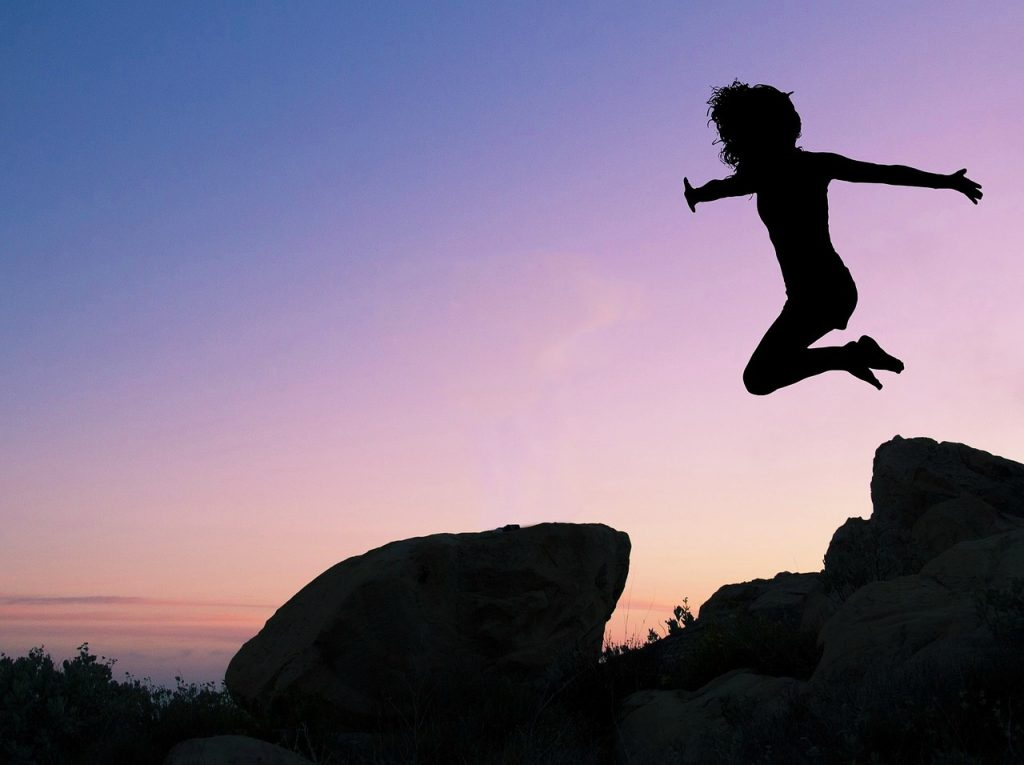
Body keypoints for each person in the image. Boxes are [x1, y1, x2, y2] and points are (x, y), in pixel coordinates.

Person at [683, 81, 982, 394]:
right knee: (760, 376)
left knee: (759, 378)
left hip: (824, 292)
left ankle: (851, 356)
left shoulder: (802, 168)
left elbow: (886, 172)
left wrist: (944, 182)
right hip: (813, 294)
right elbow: (721, 188)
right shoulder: (771, 174)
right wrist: (698, 194)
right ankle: (852, 355)